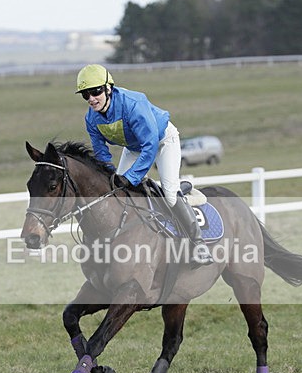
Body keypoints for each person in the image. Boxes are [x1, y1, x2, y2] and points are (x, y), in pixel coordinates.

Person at [75, 64, 213, 266]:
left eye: (95, 91)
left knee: (170, 196)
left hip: (162, 141)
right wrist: (112, 178)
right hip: (134, 147)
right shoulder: (91, 118)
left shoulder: (133, 104)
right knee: (116, 194)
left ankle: (198, 243)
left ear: (108, 88)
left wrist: (129, 178)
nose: (91, 99)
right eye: (85, 95)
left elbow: (150, 147)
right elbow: (102, 154)